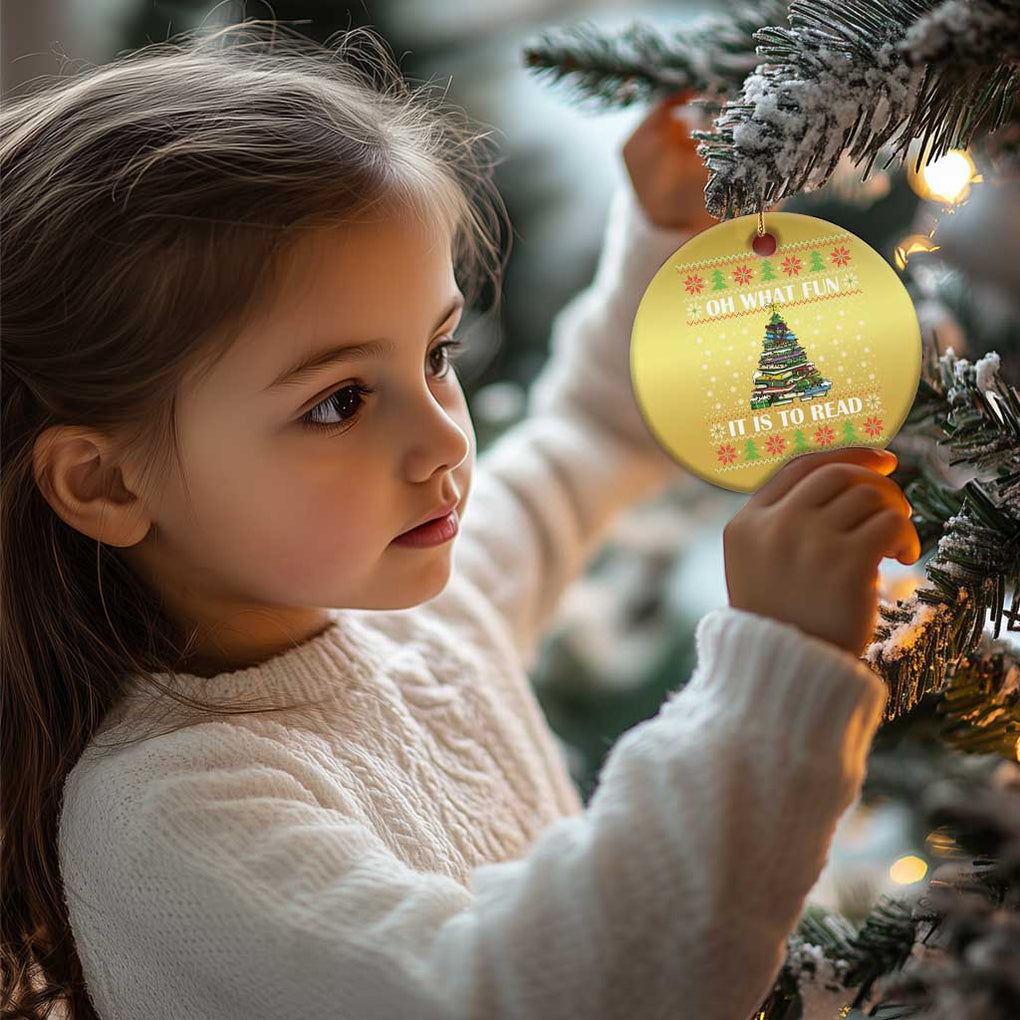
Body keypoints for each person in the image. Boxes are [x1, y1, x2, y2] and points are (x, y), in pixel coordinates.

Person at [0, 20, 920, 1020]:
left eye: (435, 356)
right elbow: (533, 996)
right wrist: (773, 673)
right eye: (340, 401)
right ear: (106, 486)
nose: (442, 440)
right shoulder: (169, 815)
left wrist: (665, 241)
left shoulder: (421, 618)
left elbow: (593, 436)